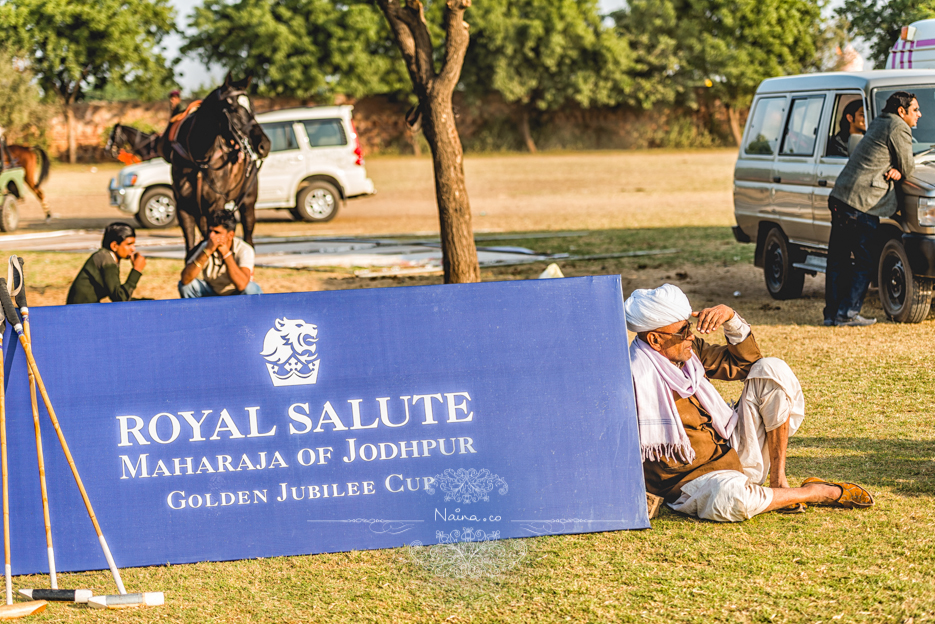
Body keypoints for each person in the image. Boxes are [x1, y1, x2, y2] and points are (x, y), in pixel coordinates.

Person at [627, 284, 873, 522]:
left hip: (732, 450)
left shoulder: (691, 352)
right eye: (683, 331)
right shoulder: (632, 378)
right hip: (694, 481)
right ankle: (818, 492)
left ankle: (778, 482)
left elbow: (747, 365)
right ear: (655, 340)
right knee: (731, 499)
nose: (691, 335)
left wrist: (731, 318)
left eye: (689, 327)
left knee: (771, 370)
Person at [824, 91, 920, 327]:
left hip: (841, 197)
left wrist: (895, 167)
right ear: (901, 111)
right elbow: (908, 167)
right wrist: (899, 170)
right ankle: (847, 315)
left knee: (838, 259)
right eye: (915, 109)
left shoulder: (880, 122)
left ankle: (832, 315)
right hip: (862, 203)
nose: (919, 114)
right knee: (866, 260)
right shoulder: (899, 127)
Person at [178, 213, 262, 298]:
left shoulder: (244, 249)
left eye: (217, 232)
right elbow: (185, 279)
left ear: (230, 235)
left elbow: (242, 284)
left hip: (236, 294)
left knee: (251, 288)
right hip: (212, 292)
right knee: (186, 286)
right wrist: (207, 252)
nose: (211, 236)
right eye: (210, 231)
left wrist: (226, 254)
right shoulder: (206, 246)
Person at [66, 223, 146, 304]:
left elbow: (118, 296)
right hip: (80, 311)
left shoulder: (107, 257)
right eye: (129, 244)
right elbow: (120, 299)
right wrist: (137, 270)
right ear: (114, 246)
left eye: (133, 244)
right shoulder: (106, 259)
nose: (133, 249)